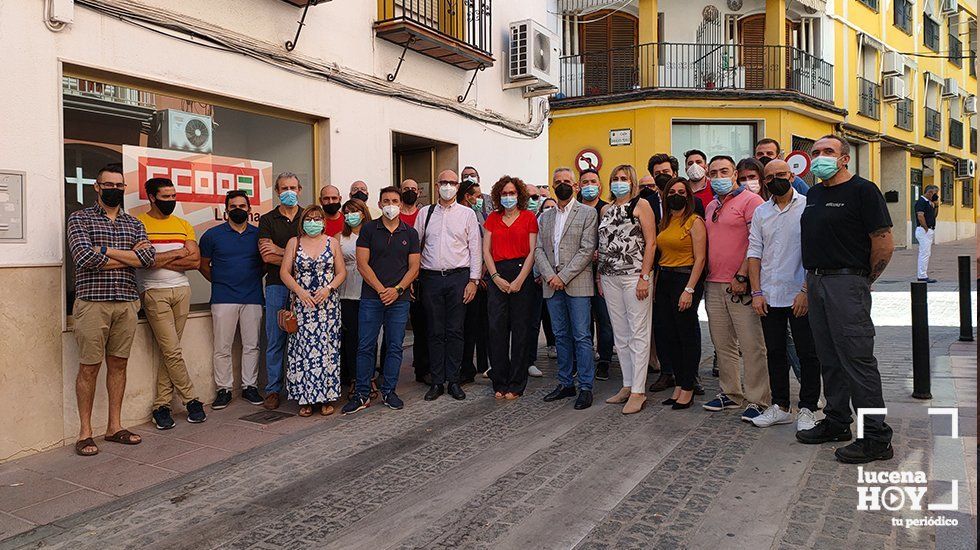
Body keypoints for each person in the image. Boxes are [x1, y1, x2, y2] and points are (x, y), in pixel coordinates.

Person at [797, 135, 894, 464]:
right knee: (829, 358)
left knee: (858, 359)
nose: (820, 157)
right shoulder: (813, 193)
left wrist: (864, 280)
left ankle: (876, 437)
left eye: (828, 152)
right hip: (817, 281)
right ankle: (838, 421)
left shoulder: (863, 191)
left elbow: (883, 241)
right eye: (816, 153)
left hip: (846, 282)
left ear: (844, 159)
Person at [67, 163, 154, 456]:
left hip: (126, 302)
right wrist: (128, 257)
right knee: (89, 367)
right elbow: (83, 256)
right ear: (97, 186)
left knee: (119, 365)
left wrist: (105, 250)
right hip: (93, 302)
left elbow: (146, 258)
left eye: (119, 185)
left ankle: (114, 427)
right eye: (108, 185)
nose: (114, 190)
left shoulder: (134, 223)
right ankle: (85, 432)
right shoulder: (80, 219)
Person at [747, 160, 823, 431]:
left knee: (807, 352)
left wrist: (805, 291)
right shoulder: (761, 212)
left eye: (781, 175)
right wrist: (756, 292)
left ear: (792, 175)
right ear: (764, 181)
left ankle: (809, 407)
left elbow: (816, 250)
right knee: (774, 351)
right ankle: (779, 406)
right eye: (770, 177)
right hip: (769, 293)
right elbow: (754, 252)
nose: (775, 180)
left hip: (799, 293)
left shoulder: (808, 206)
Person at [701, 155, 771, 421]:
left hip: (741, 283)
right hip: (714, 283)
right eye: (713, 172)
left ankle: (758, 398)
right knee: (722, 343)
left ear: (734, 175)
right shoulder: (711, 206)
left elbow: (758, 242)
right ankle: (730, 393)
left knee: (752, 344)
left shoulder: (753, 202)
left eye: (724, 171)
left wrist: (743, 276)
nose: (718, 177)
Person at [343, 187, 422, 414]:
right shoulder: (368, 230)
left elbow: (414, 267)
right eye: (386, 200)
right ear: (379, 204)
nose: (391, 205)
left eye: (395, 201)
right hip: (371, 297)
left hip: (399, 298)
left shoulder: (410, 233)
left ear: (400, 204)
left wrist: (397, 290)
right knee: (366, 346)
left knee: (395, 346)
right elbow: (362, 264)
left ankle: (389, 391)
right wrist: (381, 290)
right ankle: (361, 394)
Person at [137, 177, 206, 429]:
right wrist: (178, 252)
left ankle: (161, 405)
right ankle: (192, 399)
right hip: (154, 291)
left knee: (170, 350)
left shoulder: (184, 224)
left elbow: (194, 261)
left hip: (182, 291)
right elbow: (146, 262)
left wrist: (161, 256)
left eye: (173, 196)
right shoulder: (139, 224)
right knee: (173, 350)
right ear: (152, 197)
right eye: (166, 197)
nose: (171, 201)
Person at [415, 170, 482, 401]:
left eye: (452, 183)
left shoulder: (467, 214)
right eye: (443, 182)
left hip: (458, 277)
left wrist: (473, 280)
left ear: (458, 186)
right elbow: (416, 246)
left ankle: (454, 380)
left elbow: (475, 248)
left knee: (455, 330)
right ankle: (436, 381)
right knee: (434, 330)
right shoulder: (425, 213)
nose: (447, 186)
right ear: (436, 185)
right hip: (431, 277)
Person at [535, 168, 599, 410]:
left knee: (582, 336)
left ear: (575, 186)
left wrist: (562, 276)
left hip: (577, 283)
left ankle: (585, 386)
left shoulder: (588, 213)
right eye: (558, 182)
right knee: (560, 335)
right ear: (552, 186)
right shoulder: (546, 216)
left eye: (567, 181)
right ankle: (565, 382)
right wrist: (551, 276)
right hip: (552, 285)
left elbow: (586, 249)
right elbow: (539, 249)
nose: (562, 185)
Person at [597, 165, 657, 414]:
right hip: (610, 277)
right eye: (614, 178)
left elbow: (651, 242)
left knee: (638, 333)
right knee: (620, 335)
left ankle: (639, 391)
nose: (618, 182)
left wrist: (644, 276)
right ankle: (627, 384)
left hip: (634, 277)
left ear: (632, 182)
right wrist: (601, 276)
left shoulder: (641, 205)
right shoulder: (606, 209)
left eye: (623, 178)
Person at [199, 190, 264, 410]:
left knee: (251, 345)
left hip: (253, 296)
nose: (238, 210)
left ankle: (250, 387)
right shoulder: (212, 235)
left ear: (249, 210)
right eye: (233, 206)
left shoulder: (258, 235)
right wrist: (220, 281)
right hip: (223, 297)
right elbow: (203, 264)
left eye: (242, 206)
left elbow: (264, 264)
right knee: (222, 347)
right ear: (226, 209)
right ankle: (223, 390)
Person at [280, 205, 346, 417]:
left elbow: (341, 272)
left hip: (327, 306)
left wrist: (329, 289)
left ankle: (326, 397)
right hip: (303, 305)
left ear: (323, 221)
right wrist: (299, 292)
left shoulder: (332, 242)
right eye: (309, 218)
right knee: (303, 351)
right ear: (303, 221)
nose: (313, 221)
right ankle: (306, 398)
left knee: (327, 350)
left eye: (317, 218)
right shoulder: (294, 242)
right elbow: (284, 272)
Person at [483, 176, 539, 399]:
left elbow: (532, 252)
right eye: (504, 194)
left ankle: (516, 384)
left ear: (520, 195)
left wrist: (519, 280)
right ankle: (499, 382)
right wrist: (495, 277)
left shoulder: (529, 218)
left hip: (521, 275)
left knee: (521, 331)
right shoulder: (492, 219)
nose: (508, 197)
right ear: (498, 196)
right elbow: (486, 250)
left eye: (512, 193)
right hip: (497, 274)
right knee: (496, 330)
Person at [654, 178, 706, 410]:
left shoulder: (695, 221)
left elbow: (701, 258)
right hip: (664, 279)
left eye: (681, 192)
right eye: (672, 192)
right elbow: (660, 256)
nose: (676, 195)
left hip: (685, 279)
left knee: (687, 334)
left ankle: (688, 386)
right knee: (669, 335)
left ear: (688, 196)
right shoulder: (665, 222)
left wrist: (689, 289)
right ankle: (677, 384)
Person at [258, 172, 304, 410]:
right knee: (275, 338)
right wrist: (294, 256)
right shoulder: (267, 219)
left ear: (300, 190)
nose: (289, 191)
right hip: (277, 286)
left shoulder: (308, 217)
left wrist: (281, 251)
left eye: (293, 187)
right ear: (277, 191)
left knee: (303, 339)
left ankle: (299, 387)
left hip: (305, 289)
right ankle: (273, 390)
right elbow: (266, 255)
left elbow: (311, 255)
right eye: (284, 188)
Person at [578, 169, 613, 381]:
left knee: (604, 318)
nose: (589, 185)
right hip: (579, 272)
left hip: (602, 271)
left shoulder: (606, 209)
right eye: (585, 182)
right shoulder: (574, 209)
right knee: (582, 320)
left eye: (593, 181)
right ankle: (584, 358)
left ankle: (605, 360)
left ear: (600, 186)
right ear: (578, 185)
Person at [337, 199, 371, 395]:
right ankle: (353, 378)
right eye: (347, 212)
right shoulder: (340, 237)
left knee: (367, 338)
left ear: (363, 212)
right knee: (350, 337)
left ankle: (368, 376)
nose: (351, 215)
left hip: (368, 290)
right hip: (347, 292)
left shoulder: (372, 234)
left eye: (355, 211)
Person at [397, 178, 430, 382]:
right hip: (396, 278)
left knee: (421, 325)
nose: (409, 191)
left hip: (419, 277)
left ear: (419, 192)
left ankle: (422, 367)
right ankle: (387, 371)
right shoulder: (394, 215)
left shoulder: (425, 215)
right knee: (395, 328)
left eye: (413, 189)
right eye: (405, 189)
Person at [458, 178, 489, 382]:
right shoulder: (457, 215)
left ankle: (476, 366)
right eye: (477, 196)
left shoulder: (479, 216)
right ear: (467, 196)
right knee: (460, 326)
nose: (480, 200)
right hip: (460, 276)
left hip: (479, 277)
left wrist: (481, 273)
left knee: (476, 325)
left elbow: (485, 247)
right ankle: (461, 366)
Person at [914, 185, 939, 283]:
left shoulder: (929, 203)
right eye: (935, 193)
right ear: (929, 192)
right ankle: (922, 275)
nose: (936, 196)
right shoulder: (921, 202)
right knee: (924, 254)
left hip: (928, 230)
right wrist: (926, 229)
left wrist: (936, 205)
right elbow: (920, 216)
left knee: (926, 253)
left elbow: (935, 215)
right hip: (923, 230)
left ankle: (923, 274)